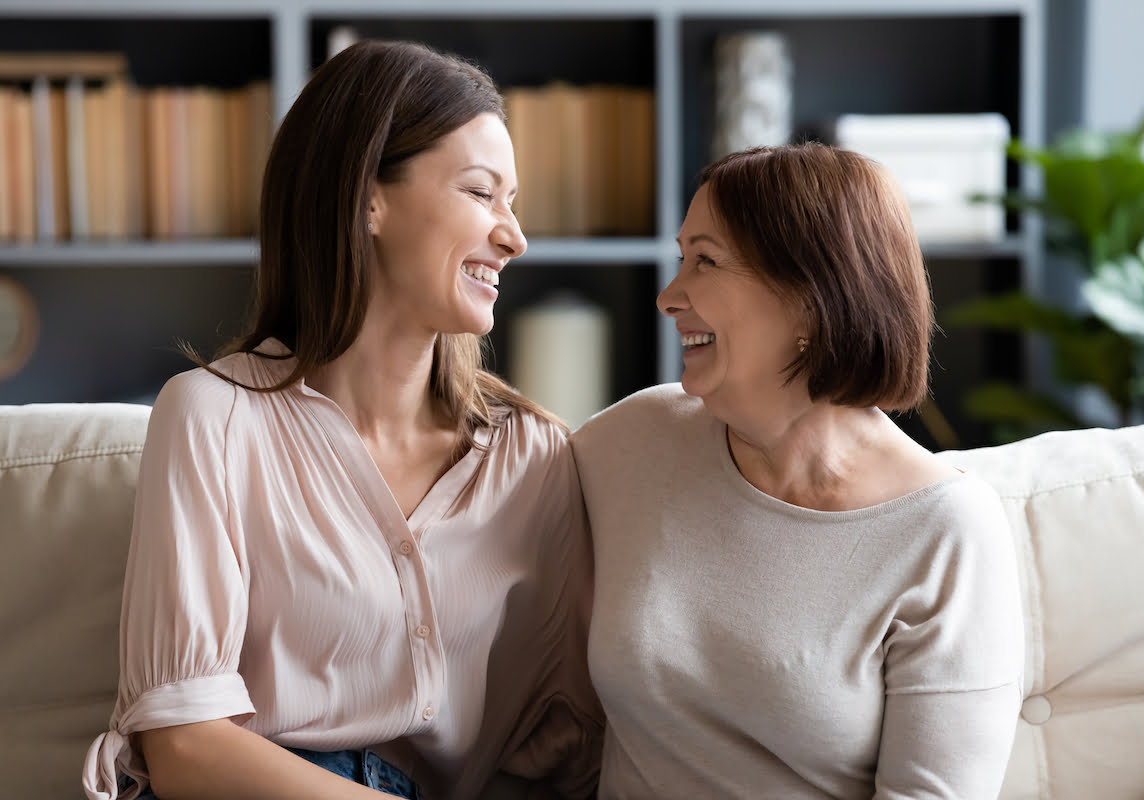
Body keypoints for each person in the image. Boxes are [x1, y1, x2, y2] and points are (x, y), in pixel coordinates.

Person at [83, 40, 602, 800]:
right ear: (368, 198)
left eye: (513, 203)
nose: (513, 236)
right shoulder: (215, 418)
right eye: (482, 193)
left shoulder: (530, 457)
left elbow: (567, 737)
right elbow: (185, 746)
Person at [571, 142, 1024, 799]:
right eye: (680, 258)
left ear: (811, 297)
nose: (670, 296)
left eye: (706, 260)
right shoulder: (634, 440)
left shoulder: (946, 531)